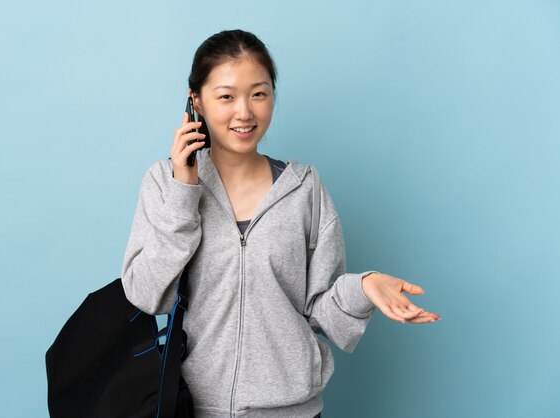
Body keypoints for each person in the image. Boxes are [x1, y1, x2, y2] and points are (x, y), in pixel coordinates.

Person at [121, 29, 440, 418]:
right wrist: (184, 194)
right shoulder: (164, 183)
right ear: (196, 103)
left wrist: (364, 286)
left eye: (259, 93)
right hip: (189, 408)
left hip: (292, 411)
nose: (245, 112)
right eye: (226, 96)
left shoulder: (304, 188)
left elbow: (320, 308)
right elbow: (148, 295)